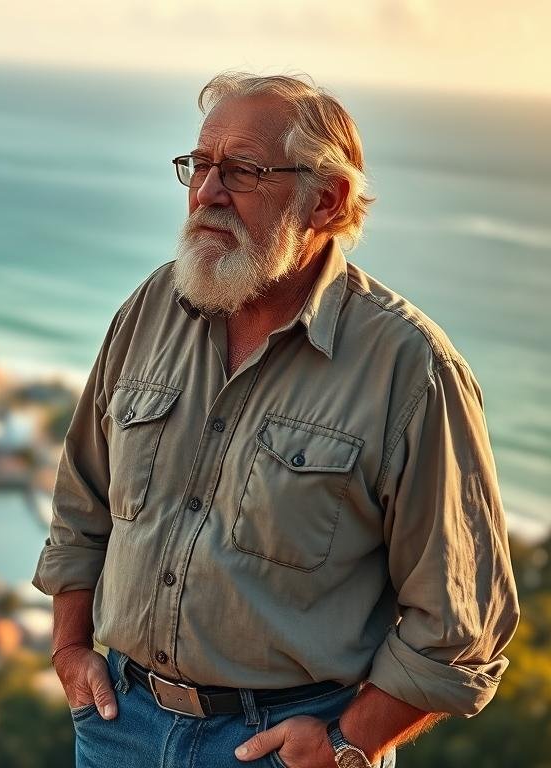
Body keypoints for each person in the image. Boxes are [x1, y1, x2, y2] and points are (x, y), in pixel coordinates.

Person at [30, 72, 520, 768]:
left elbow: (461, 622)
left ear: (327, 200)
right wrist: (71, 650)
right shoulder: (151, 308)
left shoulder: (410, 369)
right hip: (119, 725)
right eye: (199, 166)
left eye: (242, 171)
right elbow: (82, 499)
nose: (206, 193)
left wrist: (350, 743)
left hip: (287, 747)